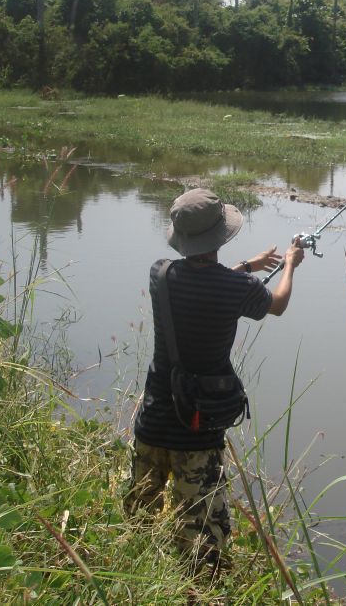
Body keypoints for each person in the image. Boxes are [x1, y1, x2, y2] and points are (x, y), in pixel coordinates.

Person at [125, 187, 304, 571]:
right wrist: (289, 263)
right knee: (203, 539)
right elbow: (278, 304)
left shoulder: (161, 274)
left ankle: (135, 578)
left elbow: (202, 281)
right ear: (218, 235)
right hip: (197, 430)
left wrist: (246, 266)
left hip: (153, 423)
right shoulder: (237, 289)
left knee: (137, 521)